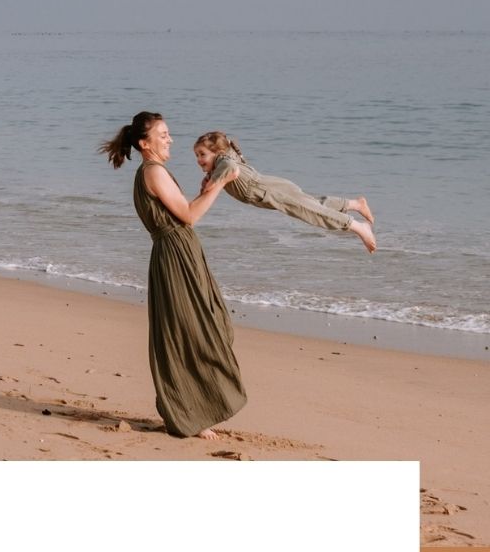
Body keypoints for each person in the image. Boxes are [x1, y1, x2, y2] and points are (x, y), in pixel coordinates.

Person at [100, 111, 247, 440]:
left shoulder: (152, 172)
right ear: (144, 143)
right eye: (163, 134)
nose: (170, 139)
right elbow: (189, 217)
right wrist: (221, 182)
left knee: (206, 324)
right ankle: (188, 414)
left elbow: (183, 213)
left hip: (179, 252)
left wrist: (207, 189)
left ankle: (189, 409)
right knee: (192, 332)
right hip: (175, 255)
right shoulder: (153, 172)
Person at [194, 131, 376, 253]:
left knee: (311, 211)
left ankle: (358, 227)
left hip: (271, 191)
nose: (199, 160)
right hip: (271, 189)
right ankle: (354, 204)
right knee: (312, 204)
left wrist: (212, 183)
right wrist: (211, 178)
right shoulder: (219, 164)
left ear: (216, 152)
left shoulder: (224, 162)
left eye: (202, 154)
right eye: (197, 155)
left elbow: (230, 167)